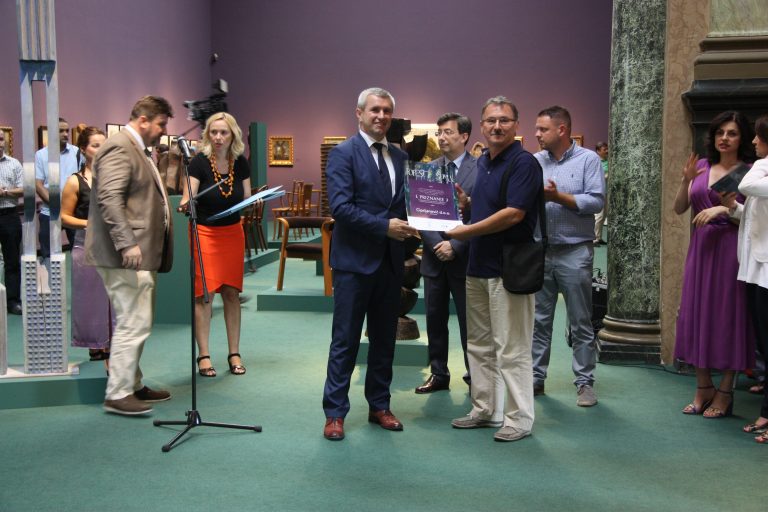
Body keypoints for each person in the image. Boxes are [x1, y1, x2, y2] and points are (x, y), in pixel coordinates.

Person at [322, 87, 418, 441]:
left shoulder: (401, 157)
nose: (381, 116)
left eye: (387, 111)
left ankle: (380, 405)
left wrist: (445, 206)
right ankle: (335, 413)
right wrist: (384, 227)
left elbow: (408, 206)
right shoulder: (343, 154)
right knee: (345, 340)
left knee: (384, 340)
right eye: (375, 110)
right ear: (359, 113)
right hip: (353, 264)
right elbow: (341, 208)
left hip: (391, 264)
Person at [446, 96, 542, 442]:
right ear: (482, 126)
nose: (497, 126)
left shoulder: (524, 163)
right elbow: (488, 208)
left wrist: (468, 230)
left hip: (509, 269)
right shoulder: (484, 161)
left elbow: (514, 214)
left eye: (504, 120)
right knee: (480, 345)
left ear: (516, 125)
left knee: (512, 348)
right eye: (490, 121)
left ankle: (519, 419)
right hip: (478, 267)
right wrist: (467, 205)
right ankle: (486, 409)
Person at [85, 95, 174, 416]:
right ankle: (118, 393)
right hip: (125, 255)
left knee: (139, 319)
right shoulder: (120, 147)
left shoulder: (138, 148)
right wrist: (127, 243)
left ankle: (132, 383)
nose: (163, 131)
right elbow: (109, 198)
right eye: (161, 124)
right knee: (133, 320)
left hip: (139, 253)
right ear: (143, 120)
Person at [673, 110, 755, 418]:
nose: (725, 138)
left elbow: (754, 218)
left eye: (732, 133)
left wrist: (723, 210)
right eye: (720, 132)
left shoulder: (750, 172)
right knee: (698, 313)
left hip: (732, 249)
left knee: (729, 316)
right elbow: (679, 208)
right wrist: (686, 179)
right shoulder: (702, 166)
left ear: (742, 138)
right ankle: (703, 386)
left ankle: (725, 390)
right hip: (701, 249)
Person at [531, 106, 605, 407]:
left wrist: (557, 197)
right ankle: (535, 378)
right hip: (541, 251)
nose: (537, 134)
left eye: (543, 129)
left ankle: (585, 383)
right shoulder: (535, 161)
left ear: (561, 130)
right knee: (539, 321)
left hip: (575, 251)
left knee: (580, 320)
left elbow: (596, 200)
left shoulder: (588, 159)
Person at [179, 112, 251, 377]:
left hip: (232, 232)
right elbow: (187, 198)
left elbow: (246, 197)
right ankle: (204, 355)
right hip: (204, 233)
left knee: (232, 293)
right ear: (207, 134)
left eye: (224, 132)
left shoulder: (240, 162)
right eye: (214, 132)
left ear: (233, 135)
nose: (218, 137)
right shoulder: (198, 162)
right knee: (205, 294)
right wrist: (186, 204)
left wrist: (252, 203)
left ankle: (234, 353)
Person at [415, 112, 477, 394]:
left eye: (447, 132)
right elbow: (420, 214)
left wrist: (455, 245)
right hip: (434, 258)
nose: (441, 137)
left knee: (470, 323)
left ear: (464, 136)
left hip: (465, 258)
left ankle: (475, 375)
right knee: (434, 320)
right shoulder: (428, 170)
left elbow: (481, 215)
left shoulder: (480, 170)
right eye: (439, 132)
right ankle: (438, 373)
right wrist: (437, 245)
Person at [722, 115, 768, 440]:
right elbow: (754, 216)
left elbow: (747, 185)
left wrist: (759, 164)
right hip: (755, 267)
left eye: (758, 137)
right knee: (764, 342)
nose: (753, 142)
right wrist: (733, 208)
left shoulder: (759, 170)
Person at [61, 126, 113, 364]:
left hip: (113, 247)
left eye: (104, 145)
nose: (100, 149)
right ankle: (94, 345)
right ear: (83, 149)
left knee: (113, 297)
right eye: (95, 145)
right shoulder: (75, 181)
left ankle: (111, 343)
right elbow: (64, 217)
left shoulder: (114, 178)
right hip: (86, 247)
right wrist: (89, 223)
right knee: (90, 298)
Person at [35, 117, 80, 261]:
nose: (66, 134)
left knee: (79, 252)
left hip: (74, 212)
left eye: (67, 130)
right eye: (61, 131)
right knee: (48, 254)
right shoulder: (41, 155)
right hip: (49, 212)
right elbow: (38, 184)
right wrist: (57, 204)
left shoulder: (77, 152)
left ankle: (77, 276)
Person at [0, 129, 24, 315]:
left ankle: (13, 301)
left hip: (9, 216)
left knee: (12, 261)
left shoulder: (14, 164)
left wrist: (5, 192)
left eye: (1, 139)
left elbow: (24, 189)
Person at [593, 141, 608, 245]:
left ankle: (599, 237)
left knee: (603, 216)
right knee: (599, 216)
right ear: (598, 151)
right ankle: (594, 238)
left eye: (607, 149)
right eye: (604, 149)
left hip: (607, 192)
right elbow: (596, 177)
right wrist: (606, 176)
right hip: (599, 192)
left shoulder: (608, 161)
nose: (607, 151)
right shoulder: (596, 162)